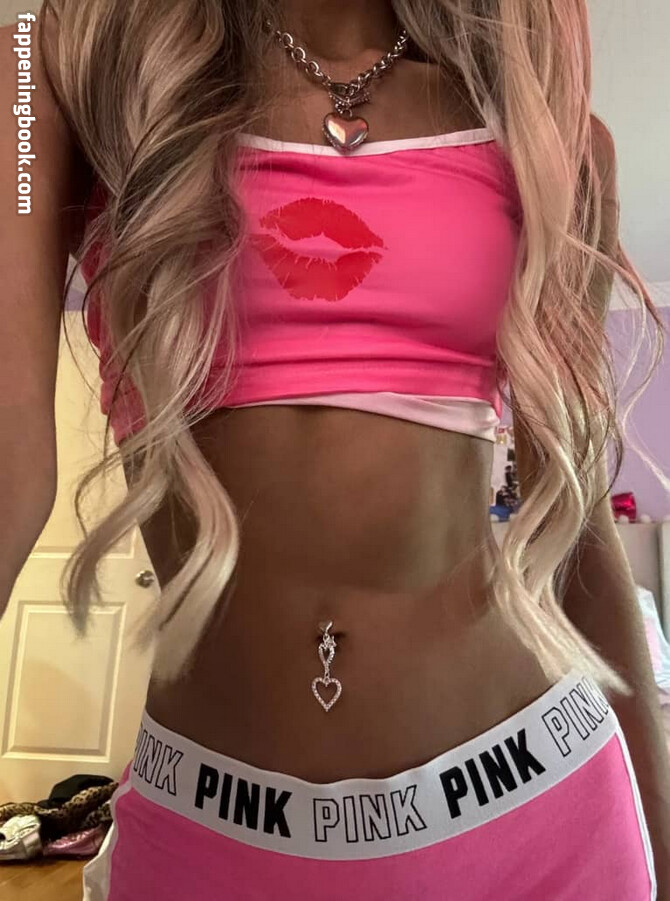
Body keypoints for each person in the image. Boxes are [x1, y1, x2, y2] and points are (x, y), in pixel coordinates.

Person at [1, 1, 668, 898]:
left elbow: (577, 524)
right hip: (209, 835)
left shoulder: (551, 142)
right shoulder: (59, 68)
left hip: (538, 814)